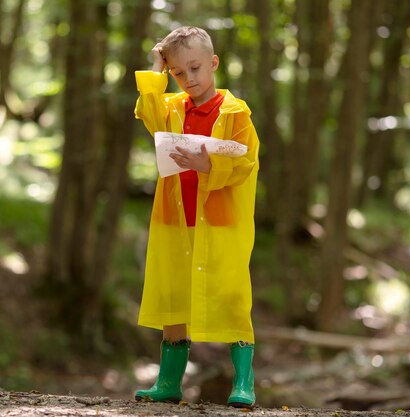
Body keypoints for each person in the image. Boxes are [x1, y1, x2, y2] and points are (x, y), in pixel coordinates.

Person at [133, 26, 260, 409]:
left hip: (220, 223)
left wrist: (210, 165)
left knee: (233, 296)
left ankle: (244, 383)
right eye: (178, 73)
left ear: (213, 63)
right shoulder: (171, 109)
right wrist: (156, 67)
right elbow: (148, 111)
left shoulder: (235, 112)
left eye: (195, 68)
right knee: (173, 297)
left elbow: (247, 160)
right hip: (176, 220)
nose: (188, 79)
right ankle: (169, 381)